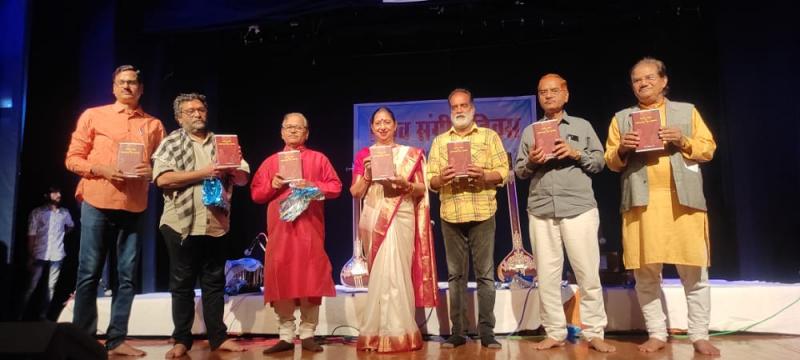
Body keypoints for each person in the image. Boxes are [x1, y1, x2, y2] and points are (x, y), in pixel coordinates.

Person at [604, 57, 719, 356]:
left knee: (694, 273)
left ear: (664, 81)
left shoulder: (686, 111)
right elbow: (611, 161)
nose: (642, 83)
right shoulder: (622, 118)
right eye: (636, 80)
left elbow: (708, 148)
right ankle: (656, 333)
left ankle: (699, 334)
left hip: (683, 201)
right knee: (645, 274)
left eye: (649, 78)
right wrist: (624, 148)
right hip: (642, 202)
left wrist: (682, 139)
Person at [65, 64, 165, 356]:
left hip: (133, 206)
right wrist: (102, 169)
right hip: (97, 200)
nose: (127, 87)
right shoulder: (94, 116)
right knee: (88, 273)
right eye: (122, 82)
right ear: (113, 87)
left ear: (141, 88)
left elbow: (162, 164)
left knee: (127, 276)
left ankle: (117, 339)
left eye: (133, 82)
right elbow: (72, 159)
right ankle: (82, 339)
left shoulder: (154, 125)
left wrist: (152, 169)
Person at [514, 74, 615, 352]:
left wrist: (575, 152)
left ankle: (594, 332)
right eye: (542, 92)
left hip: (578, 208)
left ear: (566, 94)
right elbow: (519, 171)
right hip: (542, 209)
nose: (548, 96)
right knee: (547, 276)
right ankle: (555, 331)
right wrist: (533, 161)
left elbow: (599, 162)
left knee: (587, 274)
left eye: (553, 91)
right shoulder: (530, 131)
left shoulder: (581, 126)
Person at [152, 93, 248, 358]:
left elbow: (241, 179)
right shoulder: (170, 143)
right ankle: (181, 339)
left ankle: (218, 338)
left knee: (214, 282)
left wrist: (232, 166)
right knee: (181, 283)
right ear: (179, 117)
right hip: (179, 223)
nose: (197, 114)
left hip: (215, 222)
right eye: (190, 111)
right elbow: (163, 179)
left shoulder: (223, 143)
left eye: (200, 109)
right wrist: (204, 172)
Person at [251, 112, 342, 354]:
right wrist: (273, 184)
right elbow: (256, 194)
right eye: (288, 127)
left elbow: (335, 187)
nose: (293, 131)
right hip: (281, 233)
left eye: (298, 128)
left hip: (309, 231)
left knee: (311, 278)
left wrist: (313, 186)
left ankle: (309, 333)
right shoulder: (272, 163)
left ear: (306, 133)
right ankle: (286, 335)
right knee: (281, 278)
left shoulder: (318, 159)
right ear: (281, 132)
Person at [350, 107, 438, 352]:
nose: (382, 126)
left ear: (395, 125)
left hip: (402, 213)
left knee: (398, 269)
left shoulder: (411, 154)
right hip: (374, 214)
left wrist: (406, 185)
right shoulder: (364, 155)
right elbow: (355, 193)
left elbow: (422, 189)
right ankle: (376, 332)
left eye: (387, 122)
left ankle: (401, 331)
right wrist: (367, 175)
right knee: (380, 272)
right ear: (371, 128)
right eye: (378, 123)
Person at [426, 89, 508, 349]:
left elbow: (503, 171)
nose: (459, 110)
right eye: (454, 107)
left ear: (472, 108)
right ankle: (457, 332)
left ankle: (487, 332)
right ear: (450, 111)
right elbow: (431, 180)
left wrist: (483, 174)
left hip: (483, 212)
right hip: (451, 213)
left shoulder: (488, 137)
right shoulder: (440, 141)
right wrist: (444, 177)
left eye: (463, 106)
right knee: (455, 276)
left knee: (485, 275)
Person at [20, 186, 74, 320]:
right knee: (31, 286)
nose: (59, 194)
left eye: (60, 192)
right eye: (55, 192)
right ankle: (19, 315)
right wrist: (30, 256)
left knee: (51, 286)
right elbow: (31, 235)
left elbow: (71, 226)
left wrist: (61, 234)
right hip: (39, 254)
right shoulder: (37, 212)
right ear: (47, 195)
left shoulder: (64, 213)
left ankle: (43, 315)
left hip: (57, 254)